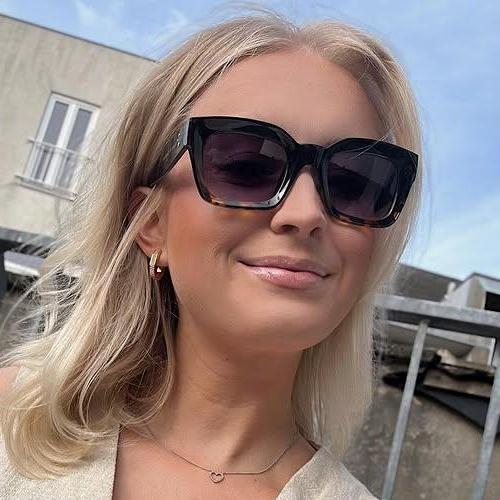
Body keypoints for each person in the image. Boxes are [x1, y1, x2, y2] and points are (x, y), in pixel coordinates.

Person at [0, 7, 422, 499]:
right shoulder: (12, 422)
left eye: (355, 182)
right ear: (151, 223)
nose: (306, 212)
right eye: (245, 166)